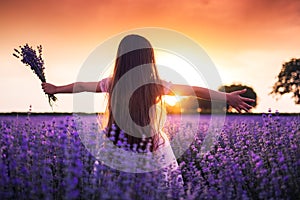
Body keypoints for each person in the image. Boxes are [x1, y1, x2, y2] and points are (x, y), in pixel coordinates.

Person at [42, 34, 254, 188]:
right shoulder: (155, 86)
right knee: (158, 189)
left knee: (115, 189)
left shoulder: (112, 83)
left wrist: (56, 89)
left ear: (121, 59)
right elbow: (195, 91)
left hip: (115, 143)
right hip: (152, 145)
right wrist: (227, 97)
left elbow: (80, 86)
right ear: (148, 59)